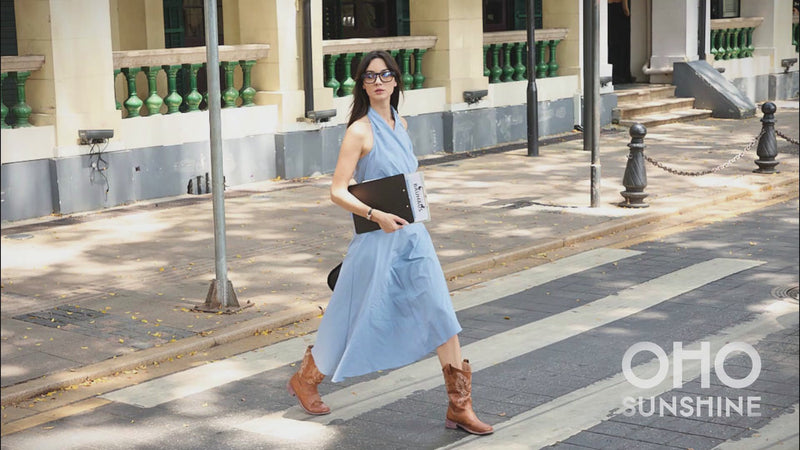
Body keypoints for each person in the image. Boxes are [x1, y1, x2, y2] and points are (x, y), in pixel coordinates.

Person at [286, 50, 494, 436]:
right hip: (376, 239)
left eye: (384, 75)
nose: (378, 81)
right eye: (370, 76)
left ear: (396, 80)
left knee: (441, 314)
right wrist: (375, 214)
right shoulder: (359, 131)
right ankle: (305, 379)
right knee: (350, 316)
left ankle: (459, 407)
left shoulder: (402, 123)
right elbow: (337, 191)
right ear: (362, 85)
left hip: (413, 238)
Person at [608, 0, 633, 84]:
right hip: (620, 20)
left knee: (612, 47)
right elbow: (625, 9)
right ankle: (622, 75)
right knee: (621, 49)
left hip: (610, 18)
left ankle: (613, 74)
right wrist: (629, 15)